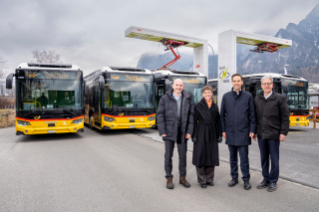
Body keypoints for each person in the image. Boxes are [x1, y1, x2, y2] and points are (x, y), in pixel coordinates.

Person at [220, 73, 256, 190]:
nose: (236, 83)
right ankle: (234, 178)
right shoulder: (226, 97)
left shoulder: (248, 96)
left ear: (241, 82)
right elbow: (222, 116)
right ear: (232, 83)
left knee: (244, 159)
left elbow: (253, 115)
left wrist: (252, 130)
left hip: (244, 132)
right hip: (230, 132)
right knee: (232, 158)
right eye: (234, 81)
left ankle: (246, 179)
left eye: (238, 81)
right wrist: (223, 130)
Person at [157, 78, 194, 189]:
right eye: (177, 85)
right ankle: (169, 178)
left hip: (183, 132)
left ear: (183, 87)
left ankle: (182, 177)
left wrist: (189, 131)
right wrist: (162, 131)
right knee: (168, 156)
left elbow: (192, 116)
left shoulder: (188, 97)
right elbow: (160, 115)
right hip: (169, 131)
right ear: (173, 86)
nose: (178, 87)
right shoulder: (165, 98)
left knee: (182, 156)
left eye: (181, 85)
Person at [254, 75, 289, 192]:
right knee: (263, 158)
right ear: (261, 86)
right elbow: (254, 117)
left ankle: (273, 180)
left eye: (269, 83)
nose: (267, 85)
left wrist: (283, 132)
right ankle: (266, 178)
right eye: (265, 84)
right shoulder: (257, 98)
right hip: (261, 134)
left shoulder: (279, 98)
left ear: (272, 85)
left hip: (274, 134)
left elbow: (285, 117)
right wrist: (253, 131)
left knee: (274, 159)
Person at [192, 86, 222, 188]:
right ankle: (202, 180)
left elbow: (218, 121)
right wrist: (194, 135)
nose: (207, 94)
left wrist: (219, 134)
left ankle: (209, 179)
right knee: (200, 155)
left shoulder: (215, 106)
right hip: (201, 132)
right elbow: (194, 122)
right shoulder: (197, 106)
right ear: (203, 94)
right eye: (205, 93)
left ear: (212, 94)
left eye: (209, 92)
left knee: (211, 155)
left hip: (212, 132)